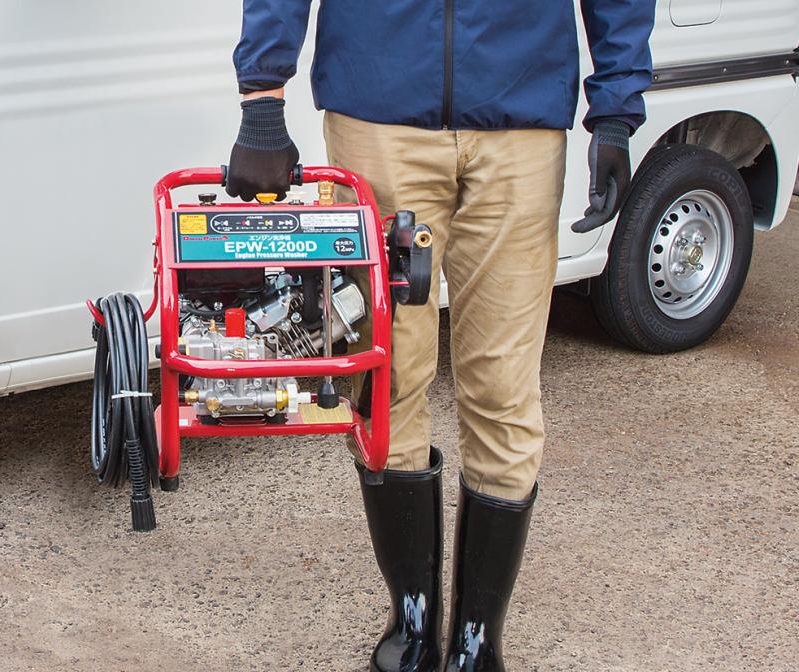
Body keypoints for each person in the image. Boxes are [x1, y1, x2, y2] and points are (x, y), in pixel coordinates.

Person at [226, 2, 655, 670]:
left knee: (504, 388)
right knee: (387, 377)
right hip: (379, 114)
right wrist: (262, 94)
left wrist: (616, 111)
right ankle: (414, 620)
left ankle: (478, 638)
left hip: (520, 119)